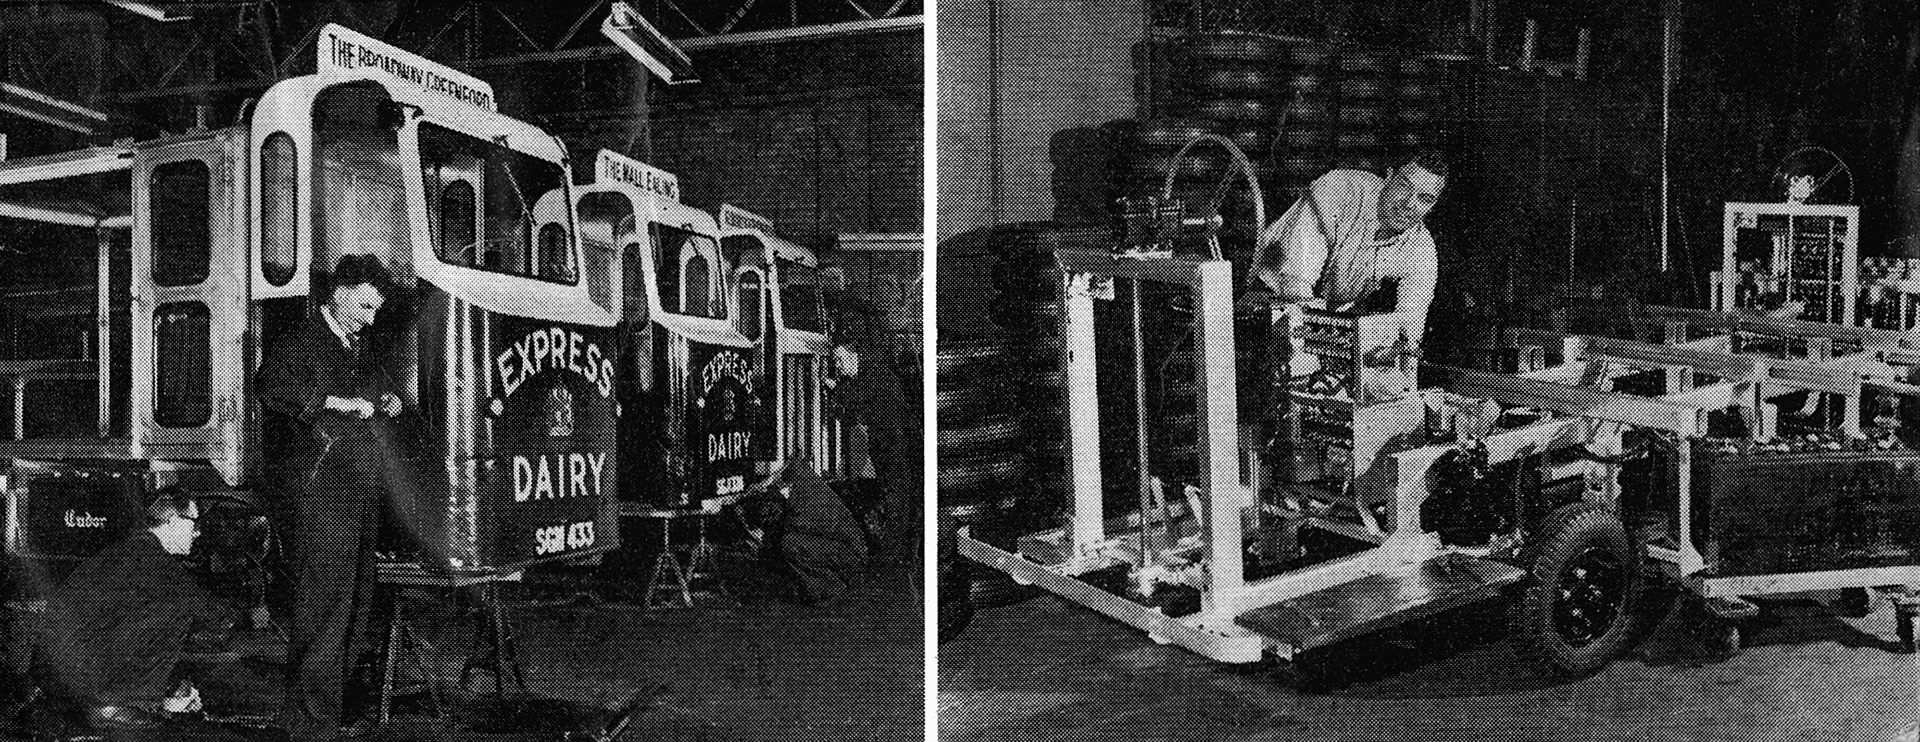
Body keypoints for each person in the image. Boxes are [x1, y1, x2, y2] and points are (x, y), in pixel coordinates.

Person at [254, 254, 406, 742]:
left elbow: (370, 392)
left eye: (375, 311)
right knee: (324, 607)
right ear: (341, 292)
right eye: (364, 307)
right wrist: (334, 403)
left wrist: (387, 398)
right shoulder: (301, 341)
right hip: (320, 494)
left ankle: (333, 709)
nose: (369, 318)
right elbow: (271, 386)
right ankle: (308, 724)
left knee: (356, 603)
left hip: (356, 491)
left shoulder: (352, 345)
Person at [33, 487, 229, 731]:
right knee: (179, 613)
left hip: (55, 672)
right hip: (82, 679)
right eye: (194, 522)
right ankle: (122, 704)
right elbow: (214, 615)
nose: (198, 532)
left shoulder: (133, 550)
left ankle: (130, 698)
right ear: (174, 521)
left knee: (170, 613)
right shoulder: (154, 561)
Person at [1251, 148, 1449, 349]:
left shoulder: (1421, 247)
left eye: (1425, 199)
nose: (1409, 204)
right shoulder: (1338, 188)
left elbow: (1411, 326)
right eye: (1404, 187)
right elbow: (1295, 284)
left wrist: (1401, 365)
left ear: (1432, 206)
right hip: (1263, 297)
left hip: (1325, 317)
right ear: (1389, 176)